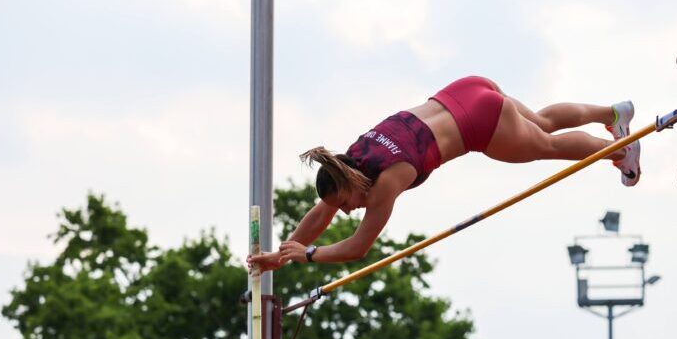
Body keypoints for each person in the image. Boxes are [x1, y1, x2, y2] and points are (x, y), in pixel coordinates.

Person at [248, 76, 639, 271]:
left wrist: (310, 254)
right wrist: (282, 253)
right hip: (465, 89)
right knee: (540, 121)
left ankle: (622, 151)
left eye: (346, 204)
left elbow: (358, 247)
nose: (347, 211)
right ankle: (614, 114)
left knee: (547, 147)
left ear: (352, 185)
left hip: (478, 122)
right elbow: (324, 211)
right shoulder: (351, 158)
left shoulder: (386, 182)